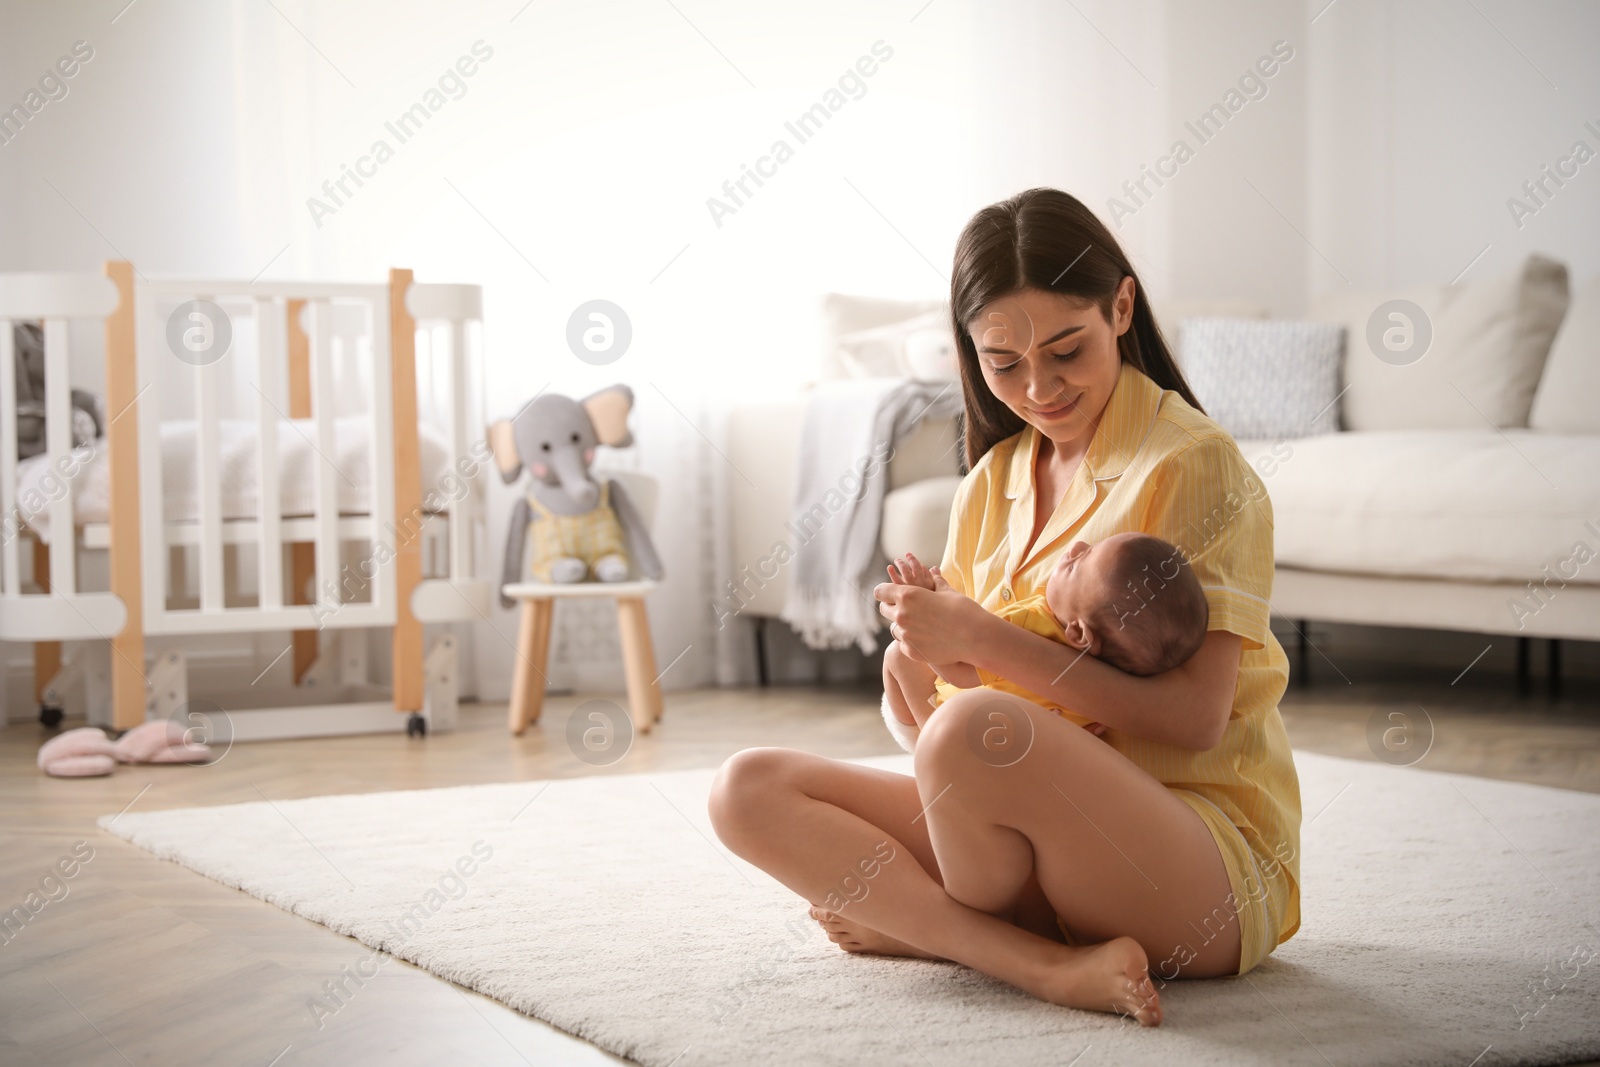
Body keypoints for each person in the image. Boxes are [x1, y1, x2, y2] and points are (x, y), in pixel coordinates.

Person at [707, 187, 1302, 1027]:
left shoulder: (1192, 464)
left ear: (1120, 307)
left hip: (1199, 866)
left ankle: (937, 932)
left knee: (971, 728)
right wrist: (914, 668)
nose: (1040, 386)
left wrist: (982, 648)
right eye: (1004, 362)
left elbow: (1197, 718)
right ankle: (1038, 963)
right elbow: (958, 737)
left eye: (1066, 349)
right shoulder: (990, 481)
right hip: (1025, 847)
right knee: (746, 788)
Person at [879, 535, 1209, 751]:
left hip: (967, 743)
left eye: (1080, 562)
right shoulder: (1106, 676)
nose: (1077, 546)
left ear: (1079, 633)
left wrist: (938, 596)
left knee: (899, 657)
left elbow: (961, 673)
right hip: (1025, 761)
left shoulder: (1032, 624)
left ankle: (928, 758)